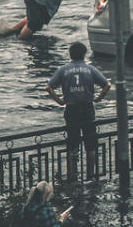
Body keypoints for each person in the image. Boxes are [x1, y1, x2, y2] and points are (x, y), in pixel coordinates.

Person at [46, 42, 111, 179]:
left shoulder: (63, 70)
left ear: (70, 54)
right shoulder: (90, 69)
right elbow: (107, 85)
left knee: (72, 143)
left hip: (71, 109)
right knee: (91, 144)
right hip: (87, 108)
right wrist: (98, 98)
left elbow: (49, 87)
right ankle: (91, 174)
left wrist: (59, 101)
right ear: (84, 54)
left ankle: (73, 175)